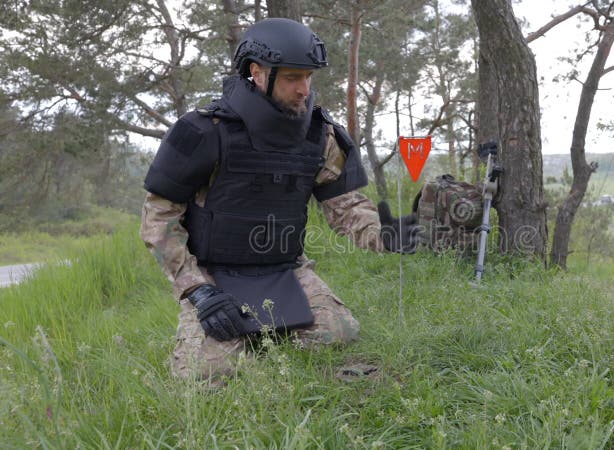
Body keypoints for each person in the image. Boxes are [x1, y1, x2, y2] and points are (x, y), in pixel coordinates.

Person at [140, 18, 415, 386]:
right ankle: (240, 332)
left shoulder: (321, 136)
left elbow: (346, 208)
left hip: (284, 270)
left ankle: (263, 331)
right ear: (257, 73)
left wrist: (385, 235)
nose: (304, 89)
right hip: (214, 276)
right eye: (292, 78)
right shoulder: (203, 132)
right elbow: (159, 220)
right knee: (206, 377)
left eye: (308, 78)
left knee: (338, 334)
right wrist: (199, 292)